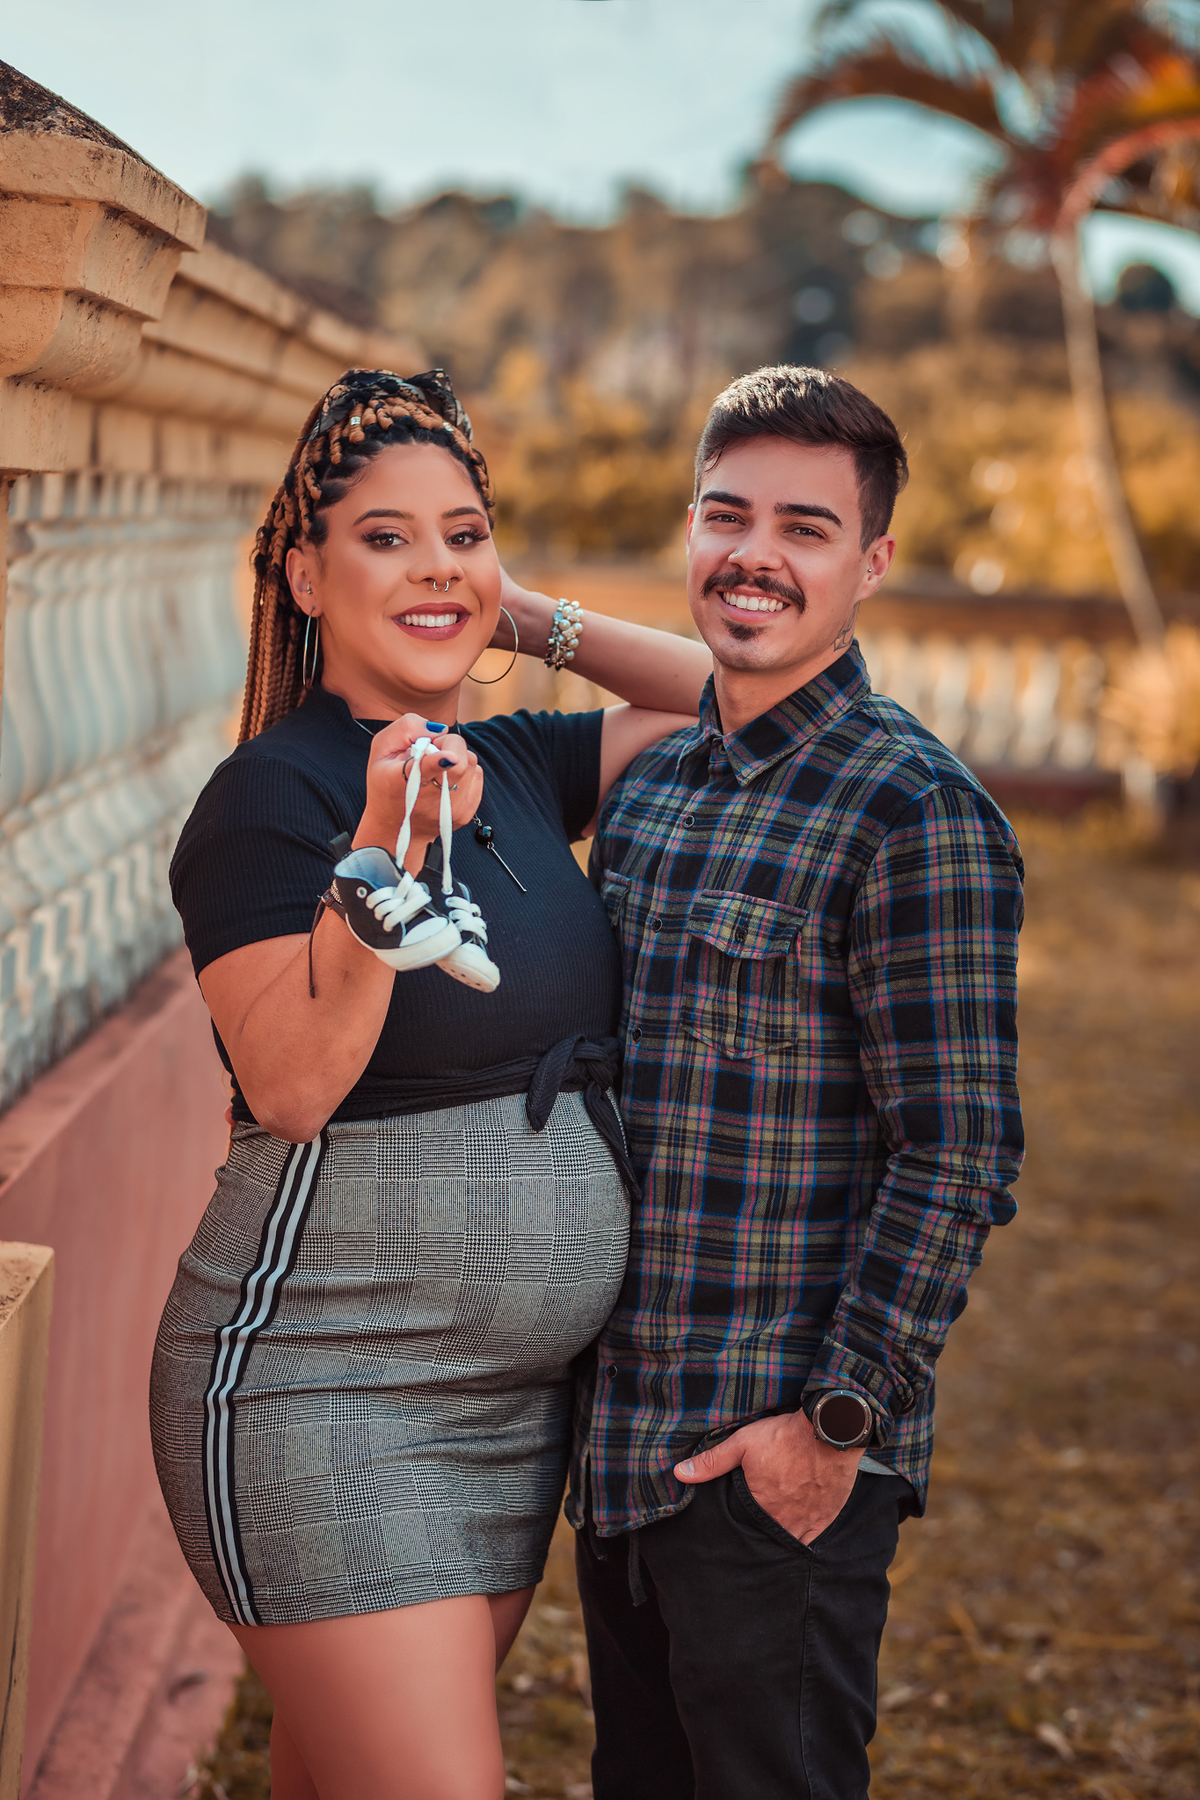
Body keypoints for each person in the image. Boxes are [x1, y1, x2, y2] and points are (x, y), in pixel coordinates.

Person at [149, 367, 712, 1800]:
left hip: (512, 1413)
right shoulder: (272, 796)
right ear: (304, 573)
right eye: (387, 537)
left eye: (461, 532)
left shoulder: (521, 762)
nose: (434, 563)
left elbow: (743, 706)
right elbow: (289, 1084)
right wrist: (385, 852)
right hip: (326, 1392)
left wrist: (510, 617)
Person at [572, 364, 1024, 1800]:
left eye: (806, 527)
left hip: (778, 1466)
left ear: (873, 561)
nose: (755, 553)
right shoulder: (651, 792)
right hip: (624, 1444)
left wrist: (834, 1427)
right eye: (727, 514)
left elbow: (956, 1157)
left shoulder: (917, 815)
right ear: (689, 530)